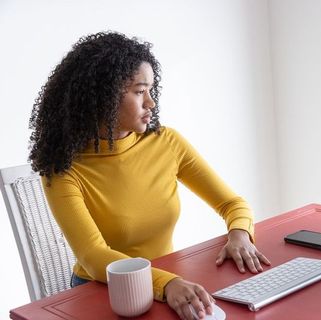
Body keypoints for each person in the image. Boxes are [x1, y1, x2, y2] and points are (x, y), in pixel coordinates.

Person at [28, 31, 270, 320]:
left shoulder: (167, 143)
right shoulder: (63, 168)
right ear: (102, 97)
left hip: (168, 281)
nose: (151, 104)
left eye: (151, 91)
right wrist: (166, 284)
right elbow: (93, 256)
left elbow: (232, 204)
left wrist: (240, 234)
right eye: (140, 91)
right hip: (103, 291)